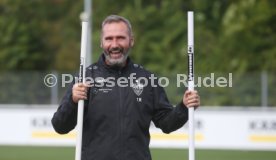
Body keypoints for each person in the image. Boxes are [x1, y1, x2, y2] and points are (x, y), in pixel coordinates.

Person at [52, 15, 200, 160]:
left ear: (131, 41)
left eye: (121, 38)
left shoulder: (147, 79)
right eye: (109, 38)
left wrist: (184, 107)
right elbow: (60, 126)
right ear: (101, 43)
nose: (115, 44)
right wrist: (73, 101)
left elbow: (167, 124)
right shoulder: (85, 78)